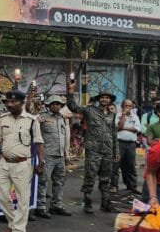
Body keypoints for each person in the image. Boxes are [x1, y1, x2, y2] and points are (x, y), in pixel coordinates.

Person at [0, 90, 45, 232]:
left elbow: (39, 142)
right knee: (1, 196)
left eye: (13, 102)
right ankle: (14, 224)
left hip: (23, 163)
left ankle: (18, 231)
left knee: (22, 199)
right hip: (4, 162)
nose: (9, 104)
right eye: (8, 102)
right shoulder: (3, 118)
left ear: (22, 102)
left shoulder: (32, 120)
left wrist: (41, 162)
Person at [66, 83, 119, 214]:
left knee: (106, 178)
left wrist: (115, 151)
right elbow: (73, 107)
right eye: (102, 97)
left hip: (107, 150)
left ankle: (105, 203)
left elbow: (113, 133)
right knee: (90, 176)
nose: (104, 99)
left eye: (107, 98)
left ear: (110, 100)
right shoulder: (90, 110)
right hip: (93, 150)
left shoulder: (112, 115)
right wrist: (71, 92)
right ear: (99, 99)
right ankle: (88, 203)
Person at [34, 95, 71, 218]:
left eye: (58, 104)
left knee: (59, 181)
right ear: (49, 105)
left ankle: (56, 205)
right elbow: (34, 130)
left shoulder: (62, 118)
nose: (56, 106)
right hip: (47, 154)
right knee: (43, 181)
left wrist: (66, 154)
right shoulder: (42, 117)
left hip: (60, 155)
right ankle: (40, 207)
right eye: (53, 104)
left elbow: (65, 137)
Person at [115, 99, 142, 194]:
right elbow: (118, 127)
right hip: (119, 143)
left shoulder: (135, 116)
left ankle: (132, 186)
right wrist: (123, 115)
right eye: (126, 106)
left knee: (130, 165)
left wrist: (124, 128)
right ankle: (113, 186)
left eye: (130, 106)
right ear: (122, 106)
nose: (128, 108)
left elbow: (137, 129)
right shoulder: (117, 115)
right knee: (116, 164)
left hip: (131, 144)